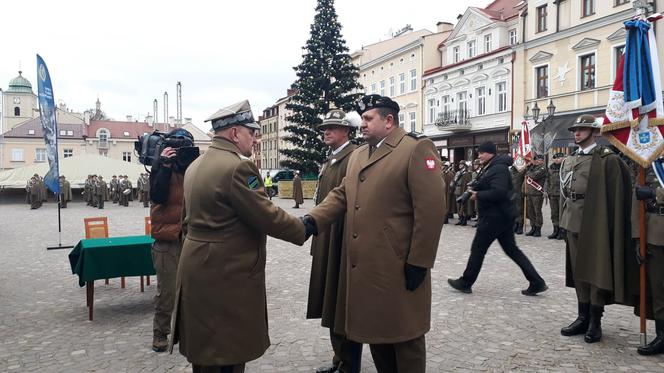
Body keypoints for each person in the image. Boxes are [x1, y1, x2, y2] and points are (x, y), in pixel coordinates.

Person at [306, 94, 445, 373]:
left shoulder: (414, 149)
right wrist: (312, 221)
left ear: (389, 120)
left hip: (398, 263)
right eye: (363, 119)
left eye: (369, 119)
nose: (363, 125)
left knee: (405, 336)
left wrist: (419, 261)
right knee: (378, 335)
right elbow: (341, 195)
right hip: (367, 265)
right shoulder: (359, 154)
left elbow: (431, 210)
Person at [171, 100, 309, 373]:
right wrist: (303, 227)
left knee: (205, 348)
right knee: (228, 352)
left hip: (196, 265)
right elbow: (267, 215)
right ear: (235, 133)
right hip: (226, 273)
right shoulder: (238, 168)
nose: (255, 140)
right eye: (252, 133)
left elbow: (186, 221)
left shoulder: (195, 166)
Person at [559, 114, 633, 344]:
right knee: (578, 270)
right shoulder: (570, 159)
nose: (576, 133)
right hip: (573, 219)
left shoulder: (607, 159)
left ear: (595, 133)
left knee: (596, 269)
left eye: (582, 129)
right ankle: (582, 316)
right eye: (575, 130)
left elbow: (617, 193)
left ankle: (595, 320)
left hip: (596, 221)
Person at [447, 141, 548, 296]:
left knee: (478, 250)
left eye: (482, 153)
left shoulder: (498, 168)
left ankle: (466, 282)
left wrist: (478, 195)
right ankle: (537, 282)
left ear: (490, 153)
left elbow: (499, 192)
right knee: (512, 250)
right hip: (502, 216)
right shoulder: (493, 167)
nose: (479, 156)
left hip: (494, 217)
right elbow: (491, 185)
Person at [306, 109, 361, 373]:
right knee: (330, 302)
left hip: (341, 240)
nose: (326, 132)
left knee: (341, 304)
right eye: (324, 127)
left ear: (347, 131)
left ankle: (348, 363)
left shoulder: (353, 158)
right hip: (327, 237)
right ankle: (340, 359)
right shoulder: (333, 159)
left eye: (332, 127)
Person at [149, 128, 198, 353]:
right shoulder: (160, 167)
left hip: (191, 239)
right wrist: (164, 165)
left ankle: (189, 333)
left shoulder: (192, 170)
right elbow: (158, 195)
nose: (179, 151)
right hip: (167, 240)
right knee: (167, 291)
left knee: (193, 290)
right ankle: (160, 333)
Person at [633, 165, 664, 355]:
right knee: (659, 287)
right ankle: (662, 335)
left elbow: (647, 192)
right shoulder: (650, 163)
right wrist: (638, 238)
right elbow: (636, 202)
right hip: (654, 233)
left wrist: (654, 192)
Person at [525, 155, 547, 237]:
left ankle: (538, 229)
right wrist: (529, 169)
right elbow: (528, 174)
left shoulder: (542, 168)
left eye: (540, 160)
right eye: (537, 160)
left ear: (543, 161)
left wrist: (529, 172)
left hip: (537, 193)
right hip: (530, 193)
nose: (538, 161)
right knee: (531, 211)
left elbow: (534, 176)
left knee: (537, 211)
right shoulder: (533, 168)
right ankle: (533, 227)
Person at [546, 153, 565, 239]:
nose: (557, 160)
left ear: (563, 158)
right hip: (552, 194)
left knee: (561, 213)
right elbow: (547, 180)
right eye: (555, 158)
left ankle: (562, 231)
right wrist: (546, 191)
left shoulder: (565, 167)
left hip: (562, 194)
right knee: (554, 213)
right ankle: (555, 230)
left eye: (559, 158)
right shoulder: (551, 168)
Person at [453, 160, 473, 226]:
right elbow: (455, 181)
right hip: (458, 190)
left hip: (463, 190)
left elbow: (468, 183)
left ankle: (464, 220)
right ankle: (460, 218)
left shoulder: (466, 173)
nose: (460, 165)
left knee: (463, 206)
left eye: (461, 164)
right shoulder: (458, 172)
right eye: (460, 164)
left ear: (464, 165)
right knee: (458, 206)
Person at [510, 165, 526, 234]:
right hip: (512, 193)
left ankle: (520, 226)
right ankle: (515, 224)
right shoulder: (510, 171)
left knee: (519, 210)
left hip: (519, 193)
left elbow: (525, 182)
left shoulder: (522, 171)